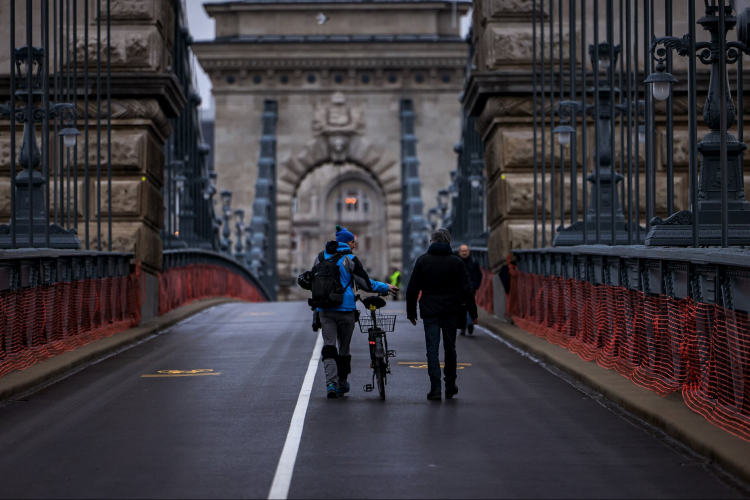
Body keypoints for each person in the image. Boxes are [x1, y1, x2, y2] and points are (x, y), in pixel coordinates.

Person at [314, 225, 399, 399]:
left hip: (325, 309)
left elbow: (313, 282)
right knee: (344, 348)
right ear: (347, 242)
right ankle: (342, 384)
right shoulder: (350, 259)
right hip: (345, 310)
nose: (355, 245)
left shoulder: (320, 257)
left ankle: (331, 383)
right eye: (353, 242)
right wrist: (385, 286)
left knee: (329, 347)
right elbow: (365, 284)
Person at [406, 228, 478, 401]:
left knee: (432, 350)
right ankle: (450, 385)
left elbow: (412, 288)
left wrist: (411, 312)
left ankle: (435, 387)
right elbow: (467, 290)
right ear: (448, 242)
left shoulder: (422, 261)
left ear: (432, 241)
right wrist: (473, 313)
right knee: (450, 348)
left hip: (430, 311)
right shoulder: (456, 262)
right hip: (450, 310)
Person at [457, 244, 483, 336]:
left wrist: (476, 285)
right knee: (461, 307)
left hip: (470, 289)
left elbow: (479, 275)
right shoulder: (456, 262)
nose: (464, 253)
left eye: (466, 251)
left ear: (469, 251)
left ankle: (469, 323)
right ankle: (464, 326)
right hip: (459, 289)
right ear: (459, 252)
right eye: (462, 251)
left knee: (470, 305)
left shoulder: (473, 261)